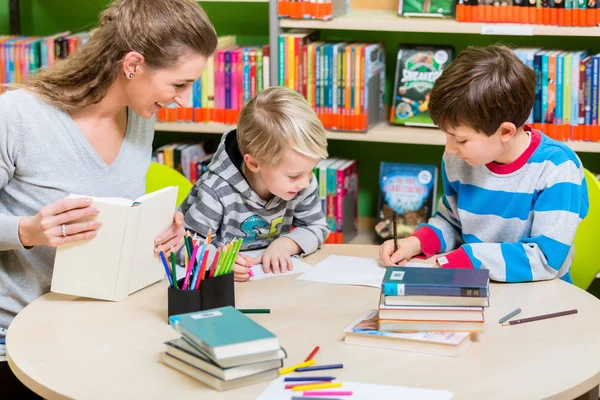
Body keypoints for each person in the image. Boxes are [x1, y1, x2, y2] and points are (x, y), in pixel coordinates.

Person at [0, 0, 217, 395]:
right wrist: (28, 230)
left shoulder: (141, 117)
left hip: (98, 325)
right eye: (179, 84)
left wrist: (158, 229)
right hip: (15, 341)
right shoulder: (17, 116)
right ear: (133, 65)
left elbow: (115, 216)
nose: (184, 100)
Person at [380, 45, 589, 283]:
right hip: (473, 286)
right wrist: (415, 243)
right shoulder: (459, 158)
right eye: (446, 136)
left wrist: (469, 259)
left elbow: (545, 259)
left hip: (540, 296)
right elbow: (452, 222)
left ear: (505, 132)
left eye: (460, 139)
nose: (449, 148)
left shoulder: (558, 169)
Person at [179, 86, 330, 282]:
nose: (305, 182)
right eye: (293, 176)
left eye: (310, 171)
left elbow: (317, 226)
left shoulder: (302, 182)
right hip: (223, 288)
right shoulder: (215, 191)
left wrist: (285, 244)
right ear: (254, 163)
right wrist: (216, 262)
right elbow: (184, 244)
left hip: (269, 283)